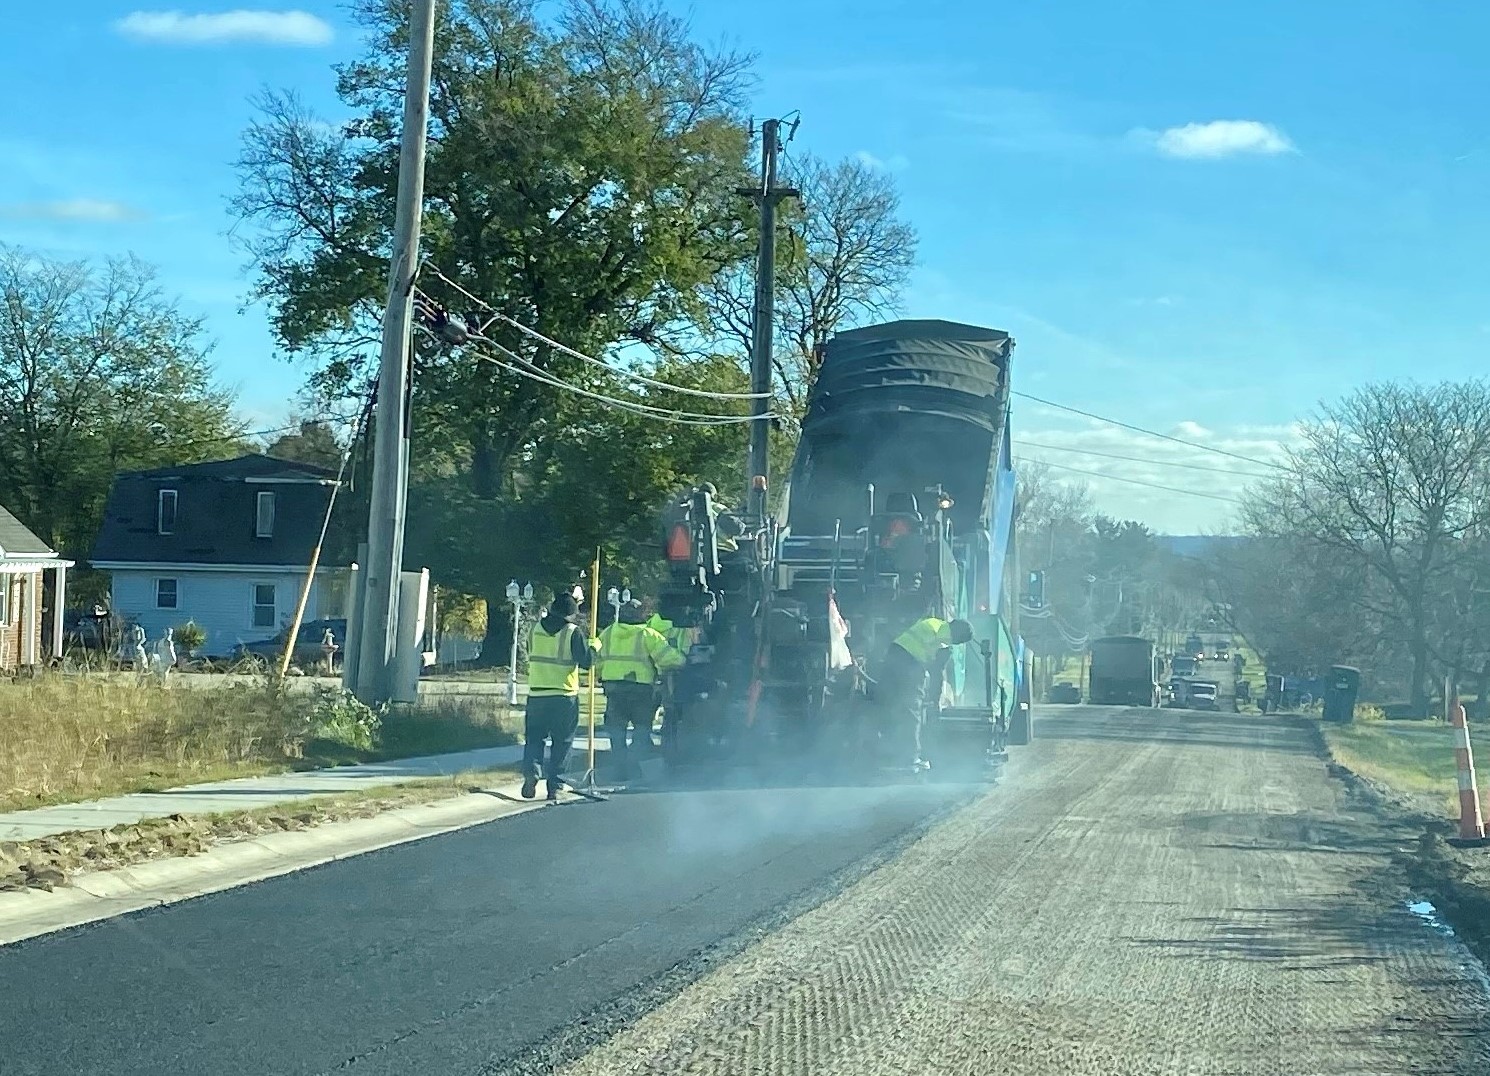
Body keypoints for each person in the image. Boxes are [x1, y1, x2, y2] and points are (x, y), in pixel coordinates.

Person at [523, 593, 600, 801]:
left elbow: (529, 651)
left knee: (534, 738)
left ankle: (531, 773)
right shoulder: (572, 633)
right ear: (571, 615)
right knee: (562, 742)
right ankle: (555, 786)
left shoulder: (535, 629)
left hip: (537, 693)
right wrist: (594, 646)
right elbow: (586, 662)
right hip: (564, 696)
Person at [599, 599, 686, 779]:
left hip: (614, 689)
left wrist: (604, 676)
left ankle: (619, 770)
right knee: (641, 730)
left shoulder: (607, 633)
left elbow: (596, 660)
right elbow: (668, 658)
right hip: (641, 690)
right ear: (641, 616)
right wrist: (684, 660)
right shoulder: (647, 634)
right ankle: (634, 766)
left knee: (616, 731)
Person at [877, 616, 974, 772]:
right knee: (912, 708)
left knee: (891, 704)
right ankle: (910, 759)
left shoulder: (933, 622)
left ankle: (885, 753)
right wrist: (935, 702)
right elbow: (937, 673)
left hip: (893, 654)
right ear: (959, 637)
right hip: (909, 663)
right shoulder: (944, 642)